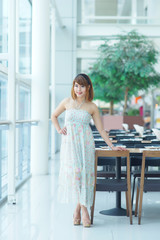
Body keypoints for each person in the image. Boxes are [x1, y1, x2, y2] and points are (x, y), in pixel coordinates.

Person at [51, 73, 126, 227]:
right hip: (70, 146)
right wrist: (59, 129)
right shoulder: (67, 102)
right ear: (73, 86)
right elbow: (53, 115)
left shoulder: (92, 106)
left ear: (88, 88)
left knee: (84, 177)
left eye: (82, 86)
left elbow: (101, 129)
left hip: (86, 145)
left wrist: (112, 146)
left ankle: (79, 210)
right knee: (76, 175)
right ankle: (84, 209)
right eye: (76, 85)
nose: (78, 89)